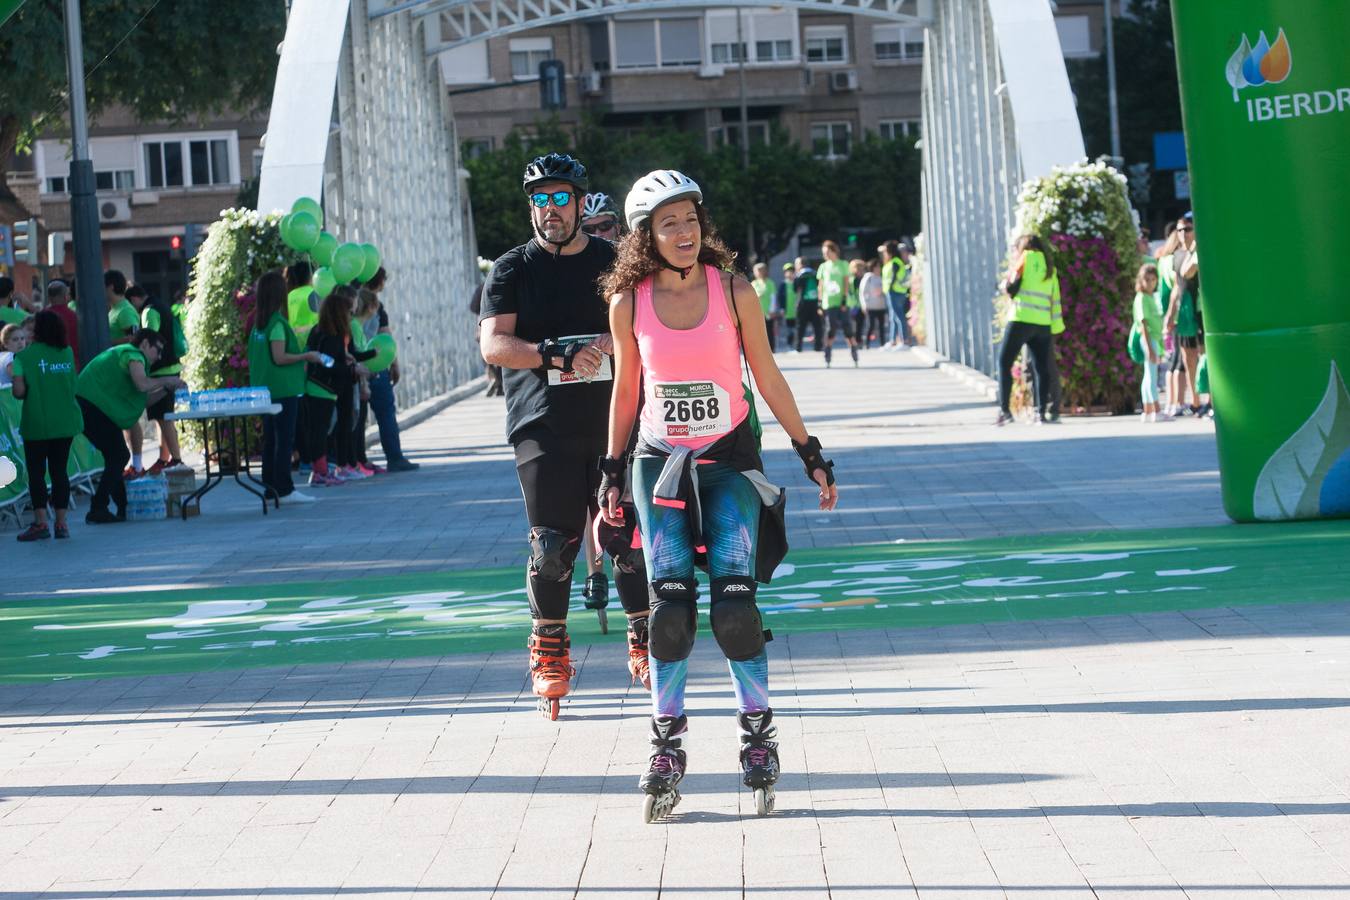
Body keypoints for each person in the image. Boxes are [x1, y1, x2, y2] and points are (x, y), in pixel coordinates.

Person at [602, 169, 839, 822]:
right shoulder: (628, 302)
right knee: (670, 610)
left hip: (729, 457)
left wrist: (808, 450)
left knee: (735, 606)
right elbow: (626, 390)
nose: (683, 232)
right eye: (667, 223)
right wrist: (611, 471)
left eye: (690, 219)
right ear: (645, 236)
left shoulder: (735, 292)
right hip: (660, 464)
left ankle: (758, 737)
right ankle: (666, 746)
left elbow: (765, 373)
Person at [479, 152, 653, 719]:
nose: (549, 210)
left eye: (560, 199)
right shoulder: (511, 268)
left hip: (613, 422)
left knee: (624, 538)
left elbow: (646, 324)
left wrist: (611, 341)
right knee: (552, 546)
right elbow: (494, 344)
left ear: (580, 204)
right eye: (539, 200)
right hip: (542, 424)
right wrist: (550, 352)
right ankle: (550, 652)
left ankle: (644, 640)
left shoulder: (612, 260)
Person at [75, 330, 185, 523]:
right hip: (91, 406)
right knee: (119, 455)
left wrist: (166, 389)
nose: (158, 357)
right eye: (157, 350)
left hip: (94, 408)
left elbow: (142, 400)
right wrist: (167, 379)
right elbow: (143, 385)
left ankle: (122, 506)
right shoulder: (133, 354)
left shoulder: (134, 361)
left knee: (115, 456)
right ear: (143, 344)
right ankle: (98, 507)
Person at [249, 270, 323, 503]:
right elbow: (279, 357)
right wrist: (306, 356)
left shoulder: (258, 326)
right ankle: (285, 488)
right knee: (284, 441)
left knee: (271, 441)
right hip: (283, 389)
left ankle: (270, 488)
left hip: (264, 388)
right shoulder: (277, 323)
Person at [11, 311, 82, 541]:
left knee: (37, 474)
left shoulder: (23, 357)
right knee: (60, 471)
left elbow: (19, 392)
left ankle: (41, 523)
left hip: (37, 424)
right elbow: (73, 383)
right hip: (65, 420)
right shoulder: (67, 353)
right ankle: (62, 524)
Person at [302, 286, 375, 487]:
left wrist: (358, 358)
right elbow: (332, 365)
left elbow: (333, 359)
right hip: (322, 388)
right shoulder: (333, 336)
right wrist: (353, 371)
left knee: (320, 430)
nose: (350, 315)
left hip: (316, 386)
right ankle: (320, 473)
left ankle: (321, 470)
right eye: (347, 312)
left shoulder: (319, 331)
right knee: (320, 431)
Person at [996, 235, 1064, 426]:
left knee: (1003, 362)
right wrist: (1055, 327)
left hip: (1020, 318)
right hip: (1042, 323)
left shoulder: (1023, 259)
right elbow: (1055, 300)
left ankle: (1005, 411)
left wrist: (1004, 286)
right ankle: (1040, 413)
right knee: (1041, 368)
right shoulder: (1050, 269)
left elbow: (1010, 284)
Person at [362, 267, 419, 472]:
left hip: (354, 367)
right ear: (379, 282)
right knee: (386, 413)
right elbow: (385, 337)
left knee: (357, 418)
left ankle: (358, 460)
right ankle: (394, 457)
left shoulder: (347, 300)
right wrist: (394, 363)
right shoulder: (376, 307)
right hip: (376, 366)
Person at [139, 289, 187, 474]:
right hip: (171, 367)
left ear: (135, 298)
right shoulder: (161, 305)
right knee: (162, 418)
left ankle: (176, 459)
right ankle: (164, 458)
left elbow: (150, 339)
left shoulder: (149, 311)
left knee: (165, 418)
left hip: (161, 370)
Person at [1164, 216, 1205, 417]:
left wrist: (1194, 250)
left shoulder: (1201, 252)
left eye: (1187, 229)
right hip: (1185, 313)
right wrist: (1169, 316)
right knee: (1189, 359)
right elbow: (1176, 287)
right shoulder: (1177, 255)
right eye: (1179, 230)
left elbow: (1189, 272)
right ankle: (1196, 403)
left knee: (1205, 356)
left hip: (1201, 311)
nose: (1183, 234)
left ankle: (1212, 401)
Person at [1133, 263, 1171, 423]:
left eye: (1153, 279)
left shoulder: (1149, 297)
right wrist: (1149, 347)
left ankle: (1147, 411)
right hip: (1149, 341)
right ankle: (1156, 410)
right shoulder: (1142, 298)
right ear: (1141, 281)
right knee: (1151, 376)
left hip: (1154, 340)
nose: (1150, 283)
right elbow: (1143, 324)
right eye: (1147, 280)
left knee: (1148, 375)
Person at [816, 241, 858, 367]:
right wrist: (819, 302)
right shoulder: (823, 266)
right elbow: (820, 285)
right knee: (830, 328)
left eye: (828, 252)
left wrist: (844, 299)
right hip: (828, 302)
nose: (826, 255)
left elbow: (846, 282)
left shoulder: (843, 264)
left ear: (834, 251)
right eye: (824, 253)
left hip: (841, 301)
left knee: (847, 328)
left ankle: (854, 351)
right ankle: (827, 354)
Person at [879, 241, 911, 350]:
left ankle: (904, 341)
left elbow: (893, 276)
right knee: (893, 317)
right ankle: (893, 341)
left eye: (885, 251)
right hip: (893, 292)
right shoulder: (892, 262)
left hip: (895, 292)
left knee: (899, 317)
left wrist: (891, 287)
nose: (884, 253)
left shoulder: (895, 262)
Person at [44, 281, 80, 368]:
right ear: (65, 296)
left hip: (49, 364)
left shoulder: (41, 316)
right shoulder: (74, 316)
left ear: (49, 297)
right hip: (71, 363)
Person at [792, 257, 822, 353]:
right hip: (815, 303)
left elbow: (795, 289)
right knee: (817, 326)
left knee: (800, 326)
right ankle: (818, 347)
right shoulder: (815, 273)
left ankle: (798, 347)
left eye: (796, 264)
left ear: (800, 265)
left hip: (803, 304)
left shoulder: (799, 275)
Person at [285, 262, 320, 340]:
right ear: (312, 276)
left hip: (293, 341)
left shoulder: (289, 295)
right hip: (310, 342)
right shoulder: (314, 293)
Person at [104, 270, 138, 345]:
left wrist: (106, 343)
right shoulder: (114, 309)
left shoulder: (126, 310)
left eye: (102, 286)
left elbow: (133, 338)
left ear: (111, 287)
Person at [860, 258, 888, 348]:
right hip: (871, 306)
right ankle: (866, 344)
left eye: (879, 267)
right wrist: (864, 304)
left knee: (882, 326)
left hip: (881, 306)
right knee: (870, 326)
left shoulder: (882, 277)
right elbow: (863, 292)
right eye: (876, 267)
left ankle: (883, 344)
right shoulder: (868, 278)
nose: (878, 269)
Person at [750, 262, 778, 352]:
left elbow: (773, 297)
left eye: (758, 271)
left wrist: (772, 310)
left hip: (768, 312)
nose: (756, 273)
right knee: (758, 332)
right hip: (756, 313)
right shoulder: (753, 283)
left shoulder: (770, 283)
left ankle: (771, 349)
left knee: (769, 331)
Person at [777, 262, 797, 350]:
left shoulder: (797, 282)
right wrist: (781, 308)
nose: (790, 273)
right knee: (789, 329)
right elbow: (780, 297)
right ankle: (789, 345)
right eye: (787, 272)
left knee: (796, 329)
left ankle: (796, 344)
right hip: (787, 311)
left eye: (791, 272)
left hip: (796, 311)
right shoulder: (783, 284)